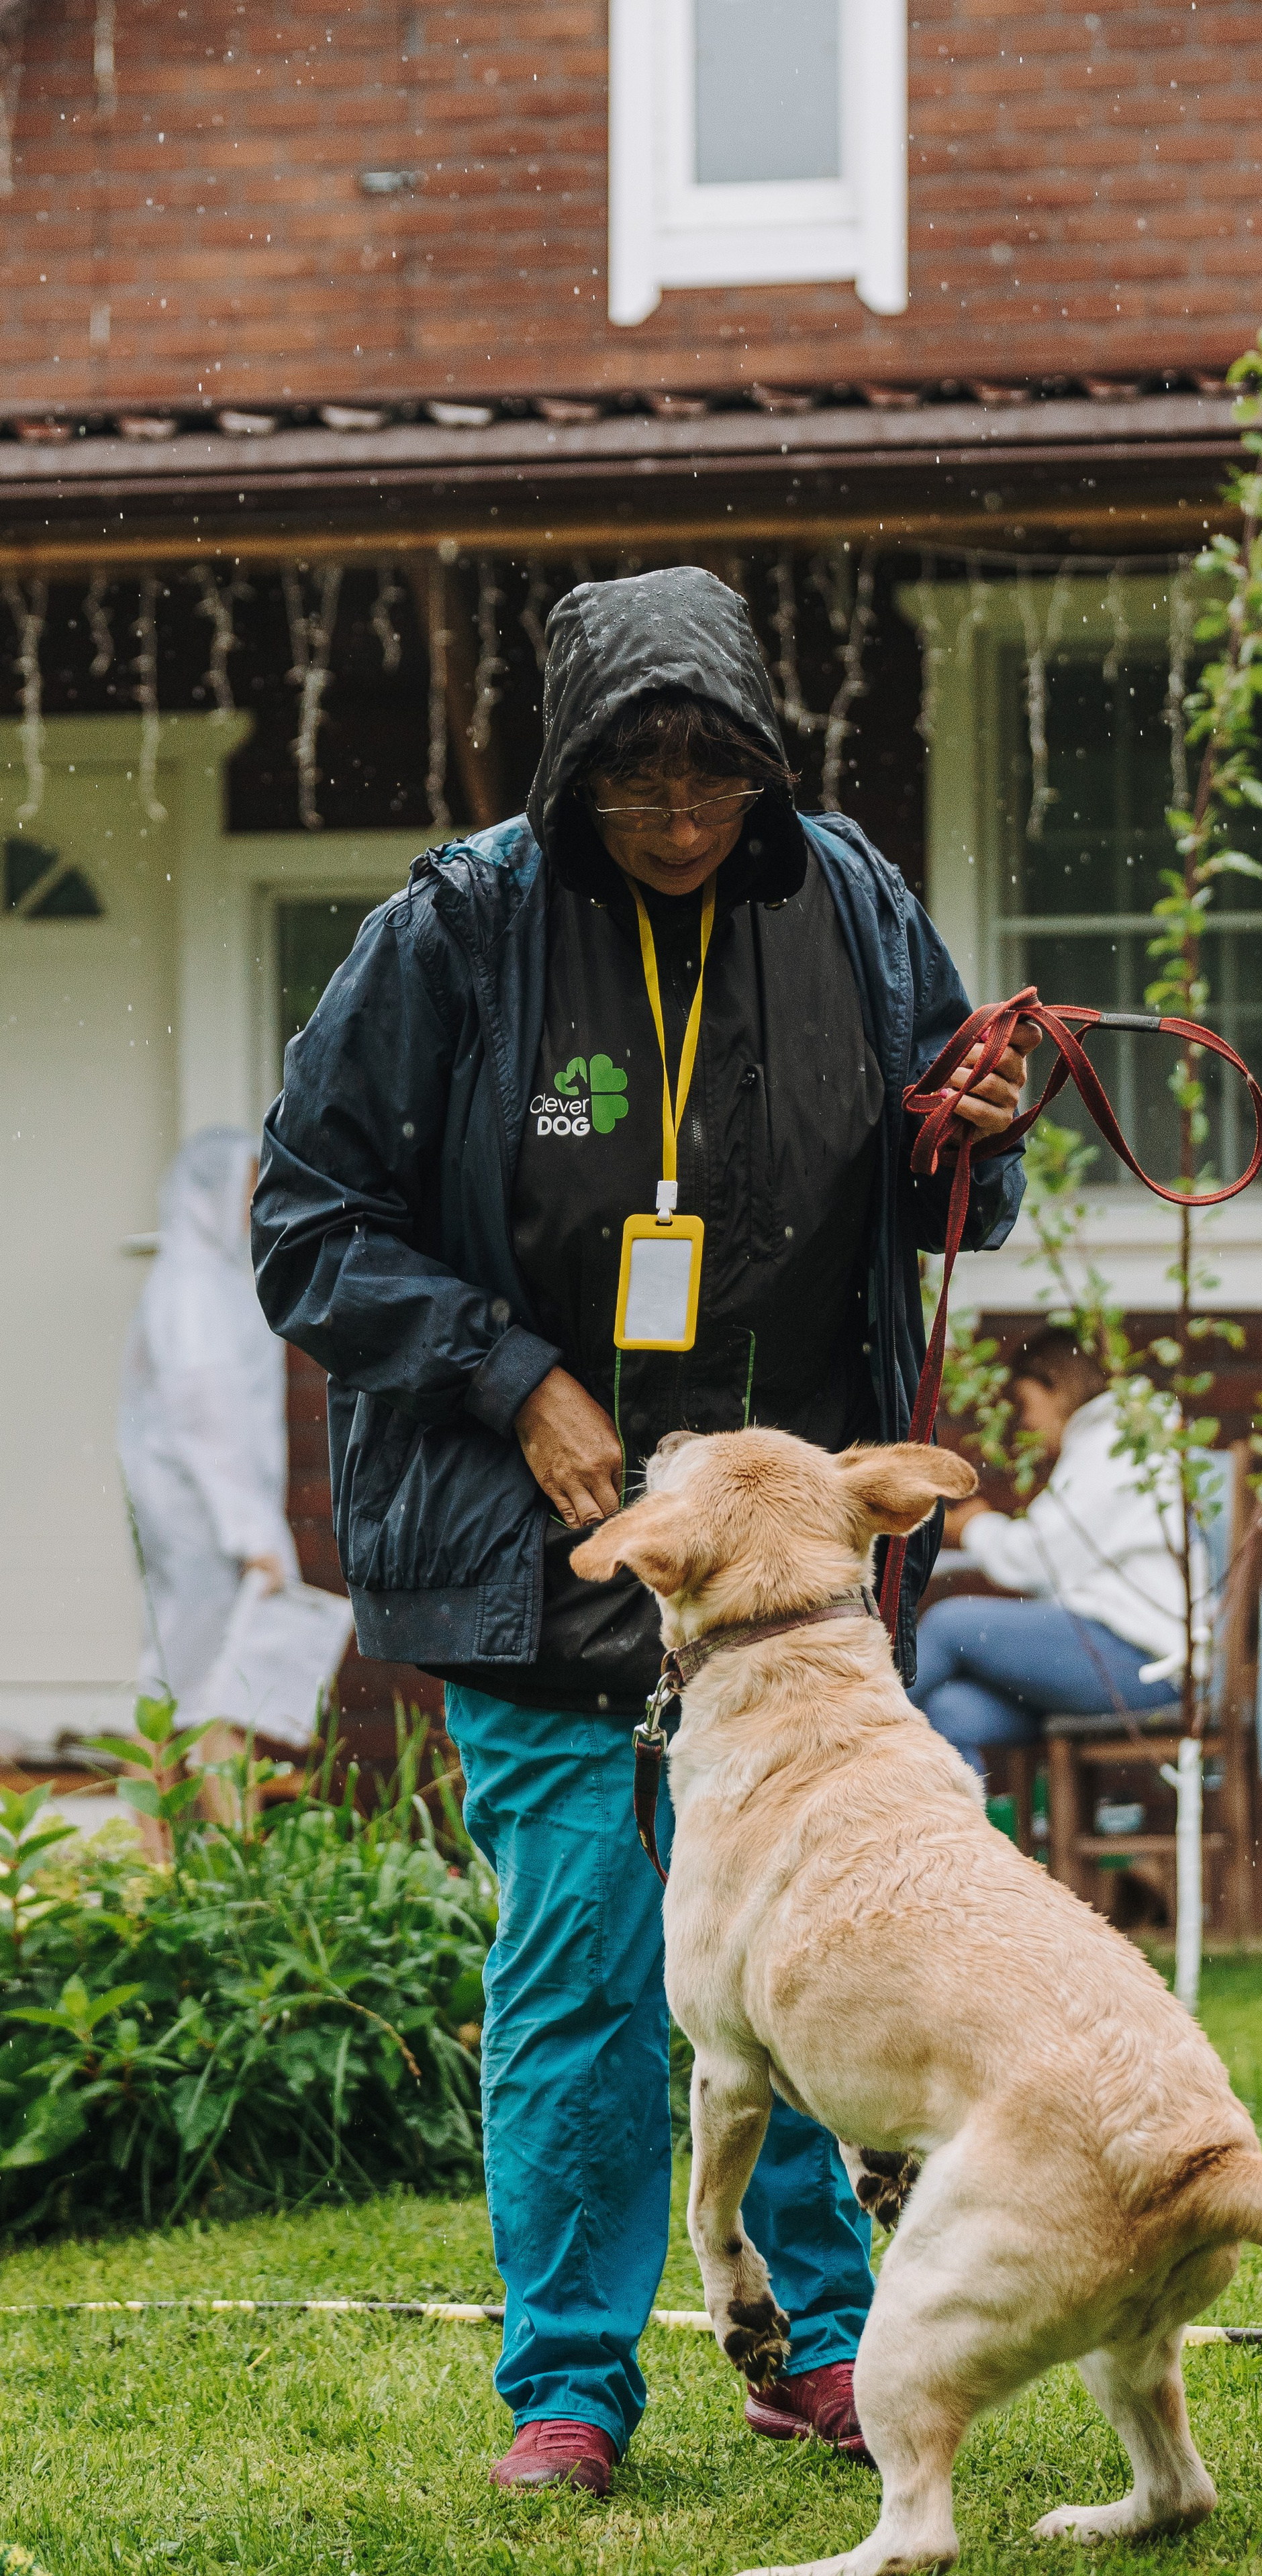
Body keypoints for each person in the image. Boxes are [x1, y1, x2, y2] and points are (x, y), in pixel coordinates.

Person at [251, 566, 1037, 2496]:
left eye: (711, 783)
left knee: (805, 1952)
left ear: (764, 771)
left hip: (772, 1568)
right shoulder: (458, 929)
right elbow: (306, 1220)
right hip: (541, 1534)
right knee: (591, 1958)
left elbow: (962, 1191)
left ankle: (823, 2347)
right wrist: (511, 1367)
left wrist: (983, 1131)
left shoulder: (849, 897)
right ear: (569, 779)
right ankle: (574, 2381)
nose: (680, 823)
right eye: (637, 787)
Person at [910, 1327, 1187, 1776]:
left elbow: (1035, 1559)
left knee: (947, 1624)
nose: (1027, 1423)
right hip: (1112, 1662)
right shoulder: (1109, 1444)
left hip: (1141, 1664)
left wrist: (974, 1526)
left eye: (1026, 1404)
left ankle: (837, 1751)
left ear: (1056, 1388)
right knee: (950, 1710)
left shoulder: (1114, 1446)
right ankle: (965, 1845)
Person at [119, 1126, 297, 1719]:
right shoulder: (195, 1288)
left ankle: (176, 1813)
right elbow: (208, 1419)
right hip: (200, 1517)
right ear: (207, 1194)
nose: (254, 1205)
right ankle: (158, 1812)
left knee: (193, 1678)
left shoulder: (212, 1280)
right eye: (245, 1189)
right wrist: (253, 1534)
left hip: (202, 1517)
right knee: (194, 1682)